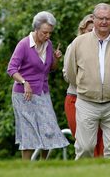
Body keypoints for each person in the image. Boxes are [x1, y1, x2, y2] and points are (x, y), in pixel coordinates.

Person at [65, 3, 110, 159]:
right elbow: (70, 72)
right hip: (87, 102)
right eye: (100, 18)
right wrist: (87, 86)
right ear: (93, 19)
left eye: (107, 18)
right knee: (85, 148)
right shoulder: (79, 42)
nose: (104, 22)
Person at [7, 11, 69, 160]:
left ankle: (43, 164)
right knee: (28, 131)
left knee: (48, 128)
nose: (47, 36)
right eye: (44, 32)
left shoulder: (49, 45)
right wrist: (24, 82)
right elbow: (11, 69)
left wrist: (55, 58)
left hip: (42, 92)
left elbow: (50, 68)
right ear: (36, 29)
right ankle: (26, 168)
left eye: (50, 33)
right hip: (24, 95)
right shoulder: (23, 45)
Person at [63, 14, 104, 157]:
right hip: (76, 99)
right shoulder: (73, 46)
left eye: (96, 30)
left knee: (102, 143)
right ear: (82, 30)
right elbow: (67, 75)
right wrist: (88, 82)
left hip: (100, 101)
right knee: (84, 144)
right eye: (89, 30)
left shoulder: (105, 48)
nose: (93, 33)